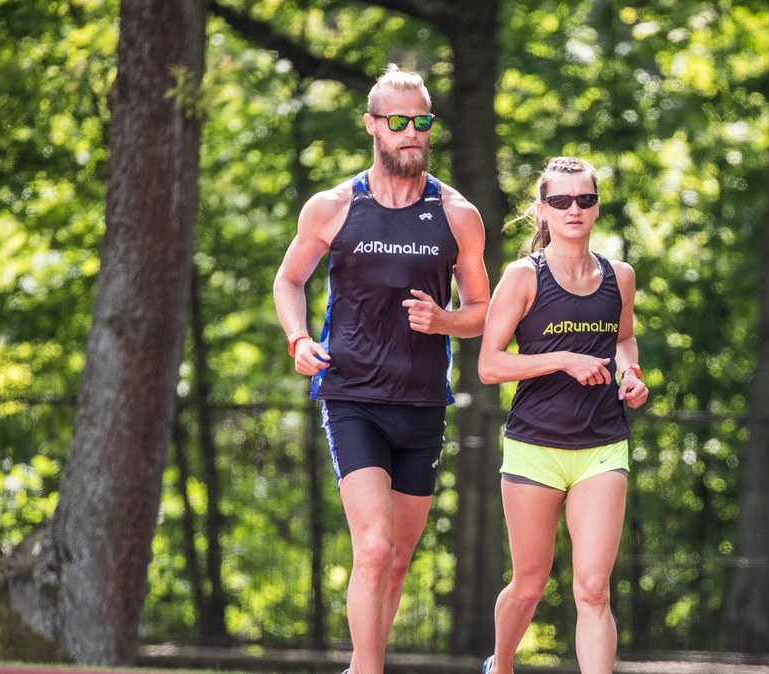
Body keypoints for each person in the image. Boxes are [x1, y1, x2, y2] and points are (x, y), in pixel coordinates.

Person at [272, 64, 490, 674]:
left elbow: (482, 311)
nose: (412, 132)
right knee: (371, 546)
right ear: (371, 126)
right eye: (398, 121)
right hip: (352, 396)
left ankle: (361, 663)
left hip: (421, 402)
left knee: (397, 557)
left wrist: (446, 322)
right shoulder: (334, 207)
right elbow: (289, 279)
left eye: (421, 120)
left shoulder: (457, 214)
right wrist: (297, 339)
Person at [477, 156, 649, 674]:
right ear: (543, 209)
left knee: (594, 589)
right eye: (561, 200)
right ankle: (500, 666)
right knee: (529, 584)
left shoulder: (620, 276)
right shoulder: (523, 277)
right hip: (535, 448)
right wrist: (562, 360)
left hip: (602, 446)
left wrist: (631, 374)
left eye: (585, 199)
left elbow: (623, 341)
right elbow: (489, 365)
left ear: (596, 207)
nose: (574, 209)